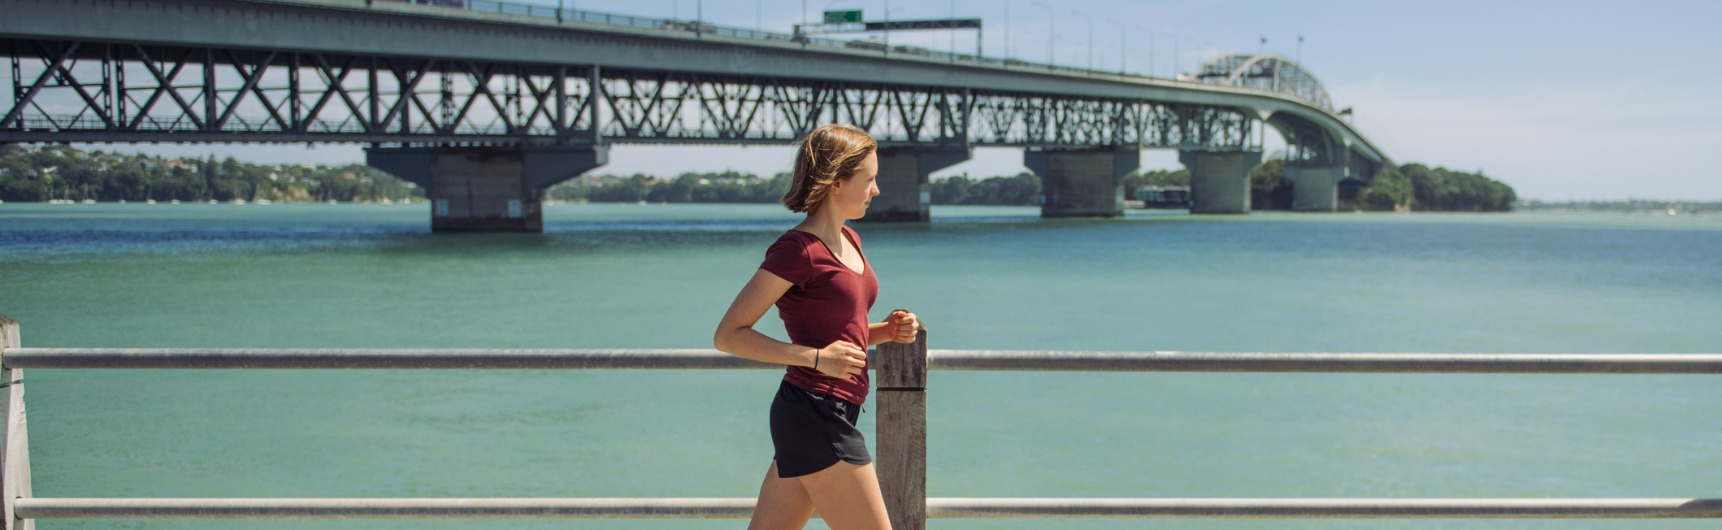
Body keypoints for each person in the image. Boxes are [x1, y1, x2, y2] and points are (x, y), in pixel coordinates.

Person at [713, 123, 920, 530]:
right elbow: (729, 334)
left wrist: (886, 331)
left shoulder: (850, 239)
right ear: (836, 182)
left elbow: (841, 329)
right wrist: (816, 358)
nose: (876, 190)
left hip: (833, 408)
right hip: (816, 411)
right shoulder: (797, 250)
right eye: (869, 179)